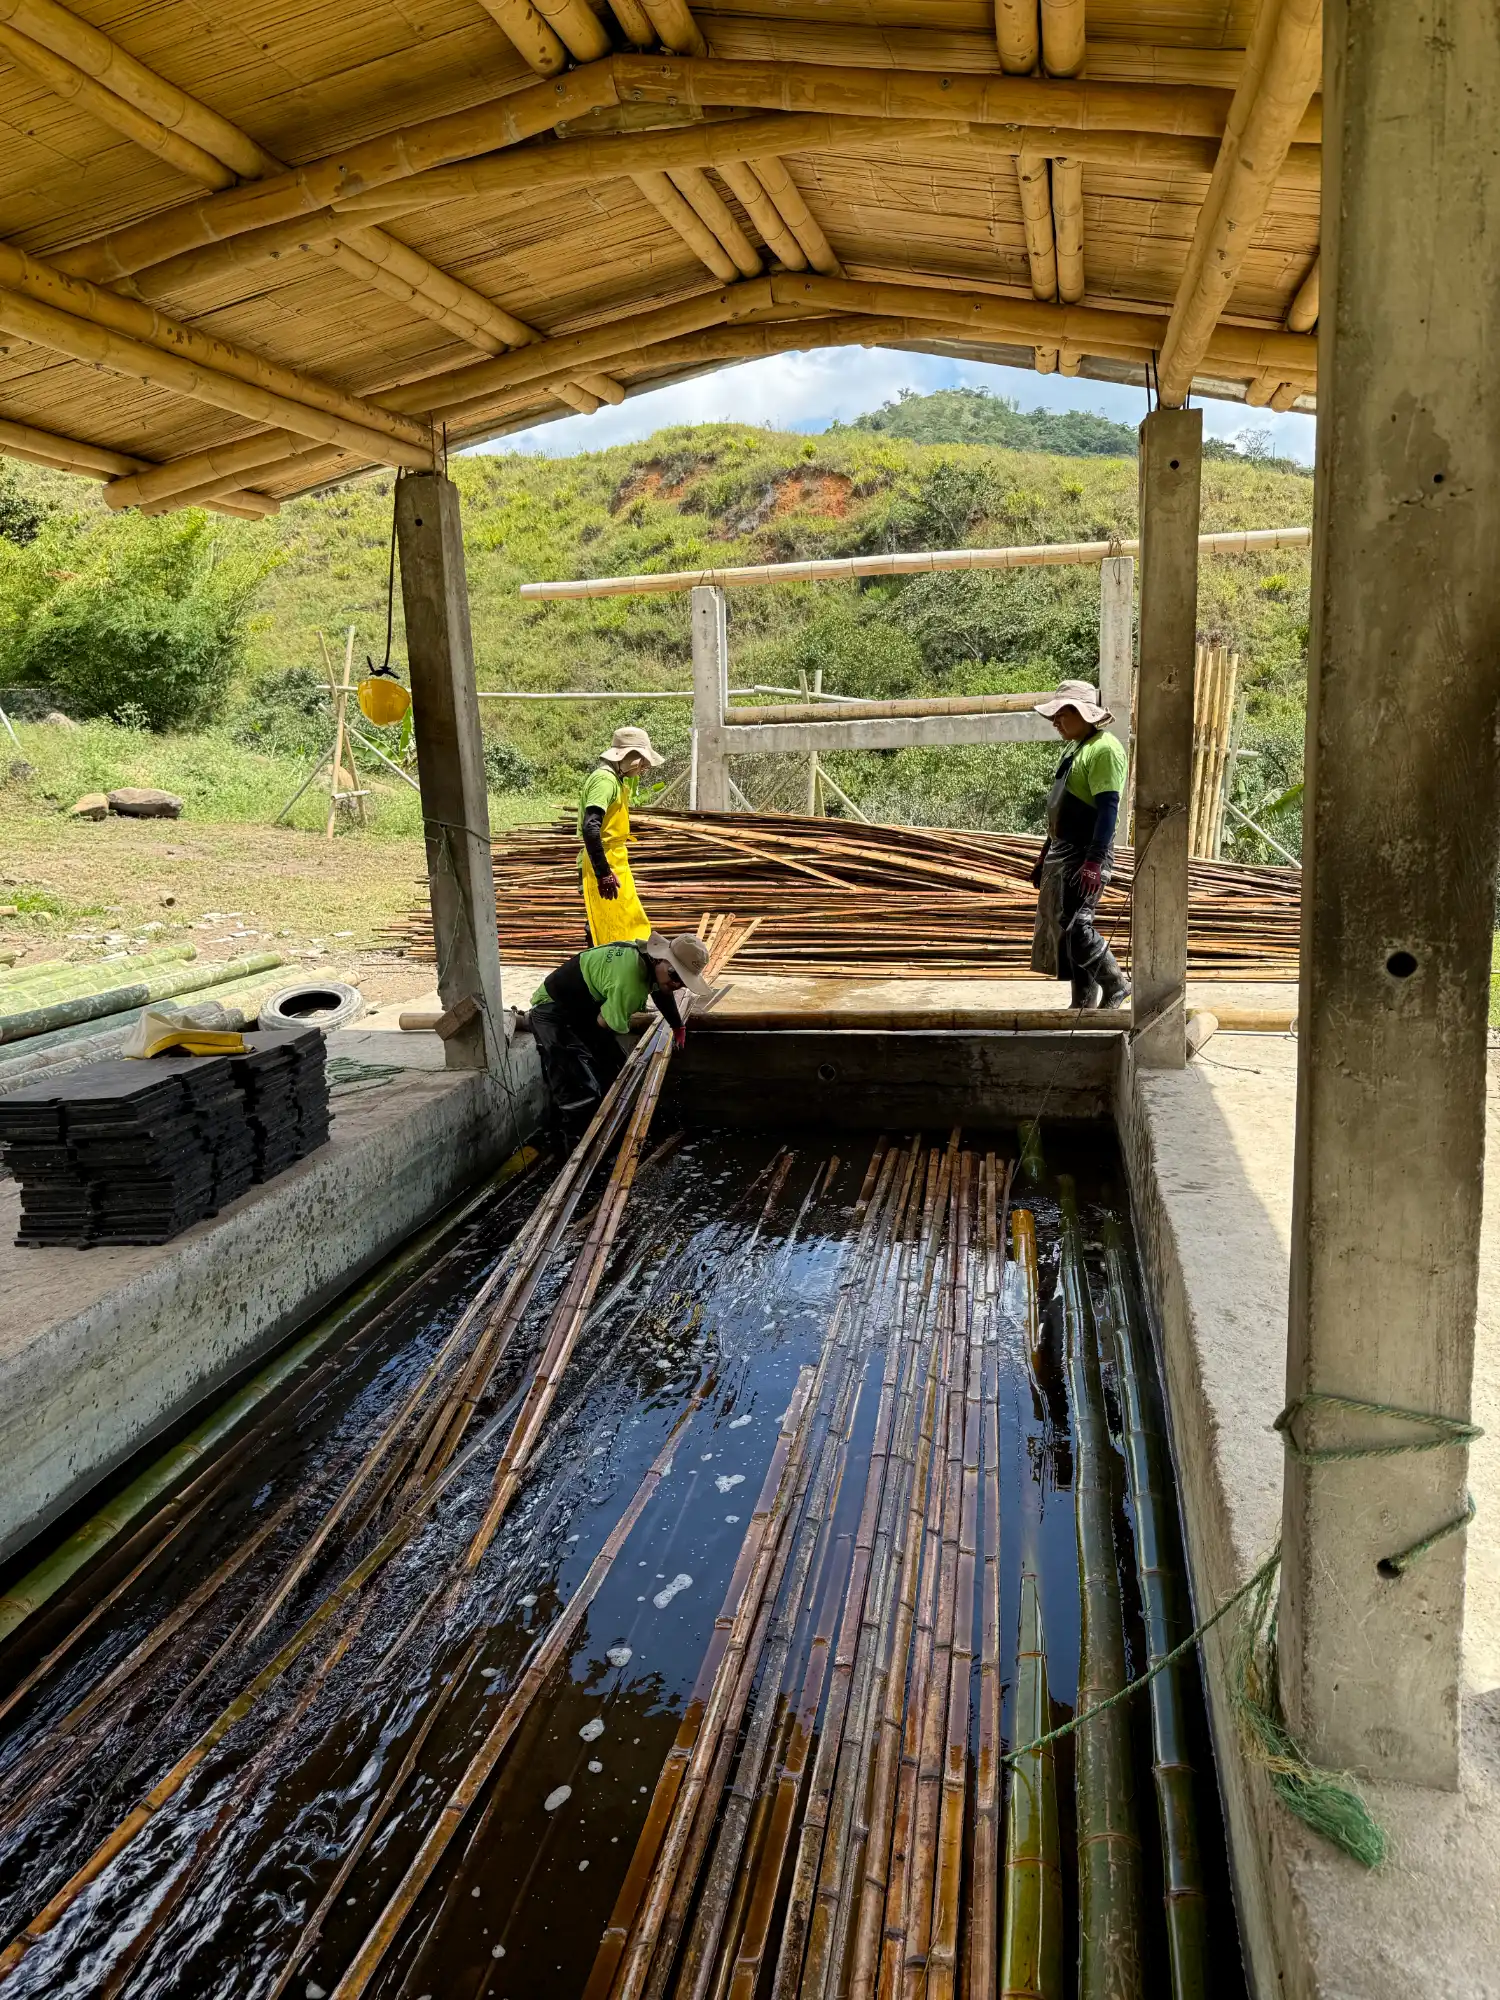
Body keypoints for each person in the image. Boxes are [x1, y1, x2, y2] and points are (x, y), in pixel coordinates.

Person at [523, 932, 711, 1134]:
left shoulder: (646, 958)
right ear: (660, 957)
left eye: (682, 982)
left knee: (615, 1071)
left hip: (581, 1006)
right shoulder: (630, 985)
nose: (676, 985)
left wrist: (677, 1024)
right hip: (553, 1013)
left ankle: (610, 1126)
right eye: (675, 976)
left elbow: (660, 989)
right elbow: (601, 1027)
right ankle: (575, 1146)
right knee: (580, 1090)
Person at [1029, 678, 1130, 1010]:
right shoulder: (1074, 748)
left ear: (1086, 714)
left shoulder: (1104, 749)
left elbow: (1108, 810)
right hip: (1062, 852)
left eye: (1062, 714)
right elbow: (1059, 811)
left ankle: (1115, 985)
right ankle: (1083, 1003)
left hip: (1086, 854)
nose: (1056, 721)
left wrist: (1094, 861)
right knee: (1064, 931)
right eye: (1054, 716)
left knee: (1077, 928)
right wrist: (1043, 857)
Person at [577, 725, 663, 947]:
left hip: (615, 858)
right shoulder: (604, 781)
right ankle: (598, 971)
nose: (644, 767)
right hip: (601, 860)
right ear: (630, 757)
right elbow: (591, 827)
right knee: (602, 921)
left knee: (626, 919)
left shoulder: (617, 780)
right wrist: (603, 873)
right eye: (643, 760)